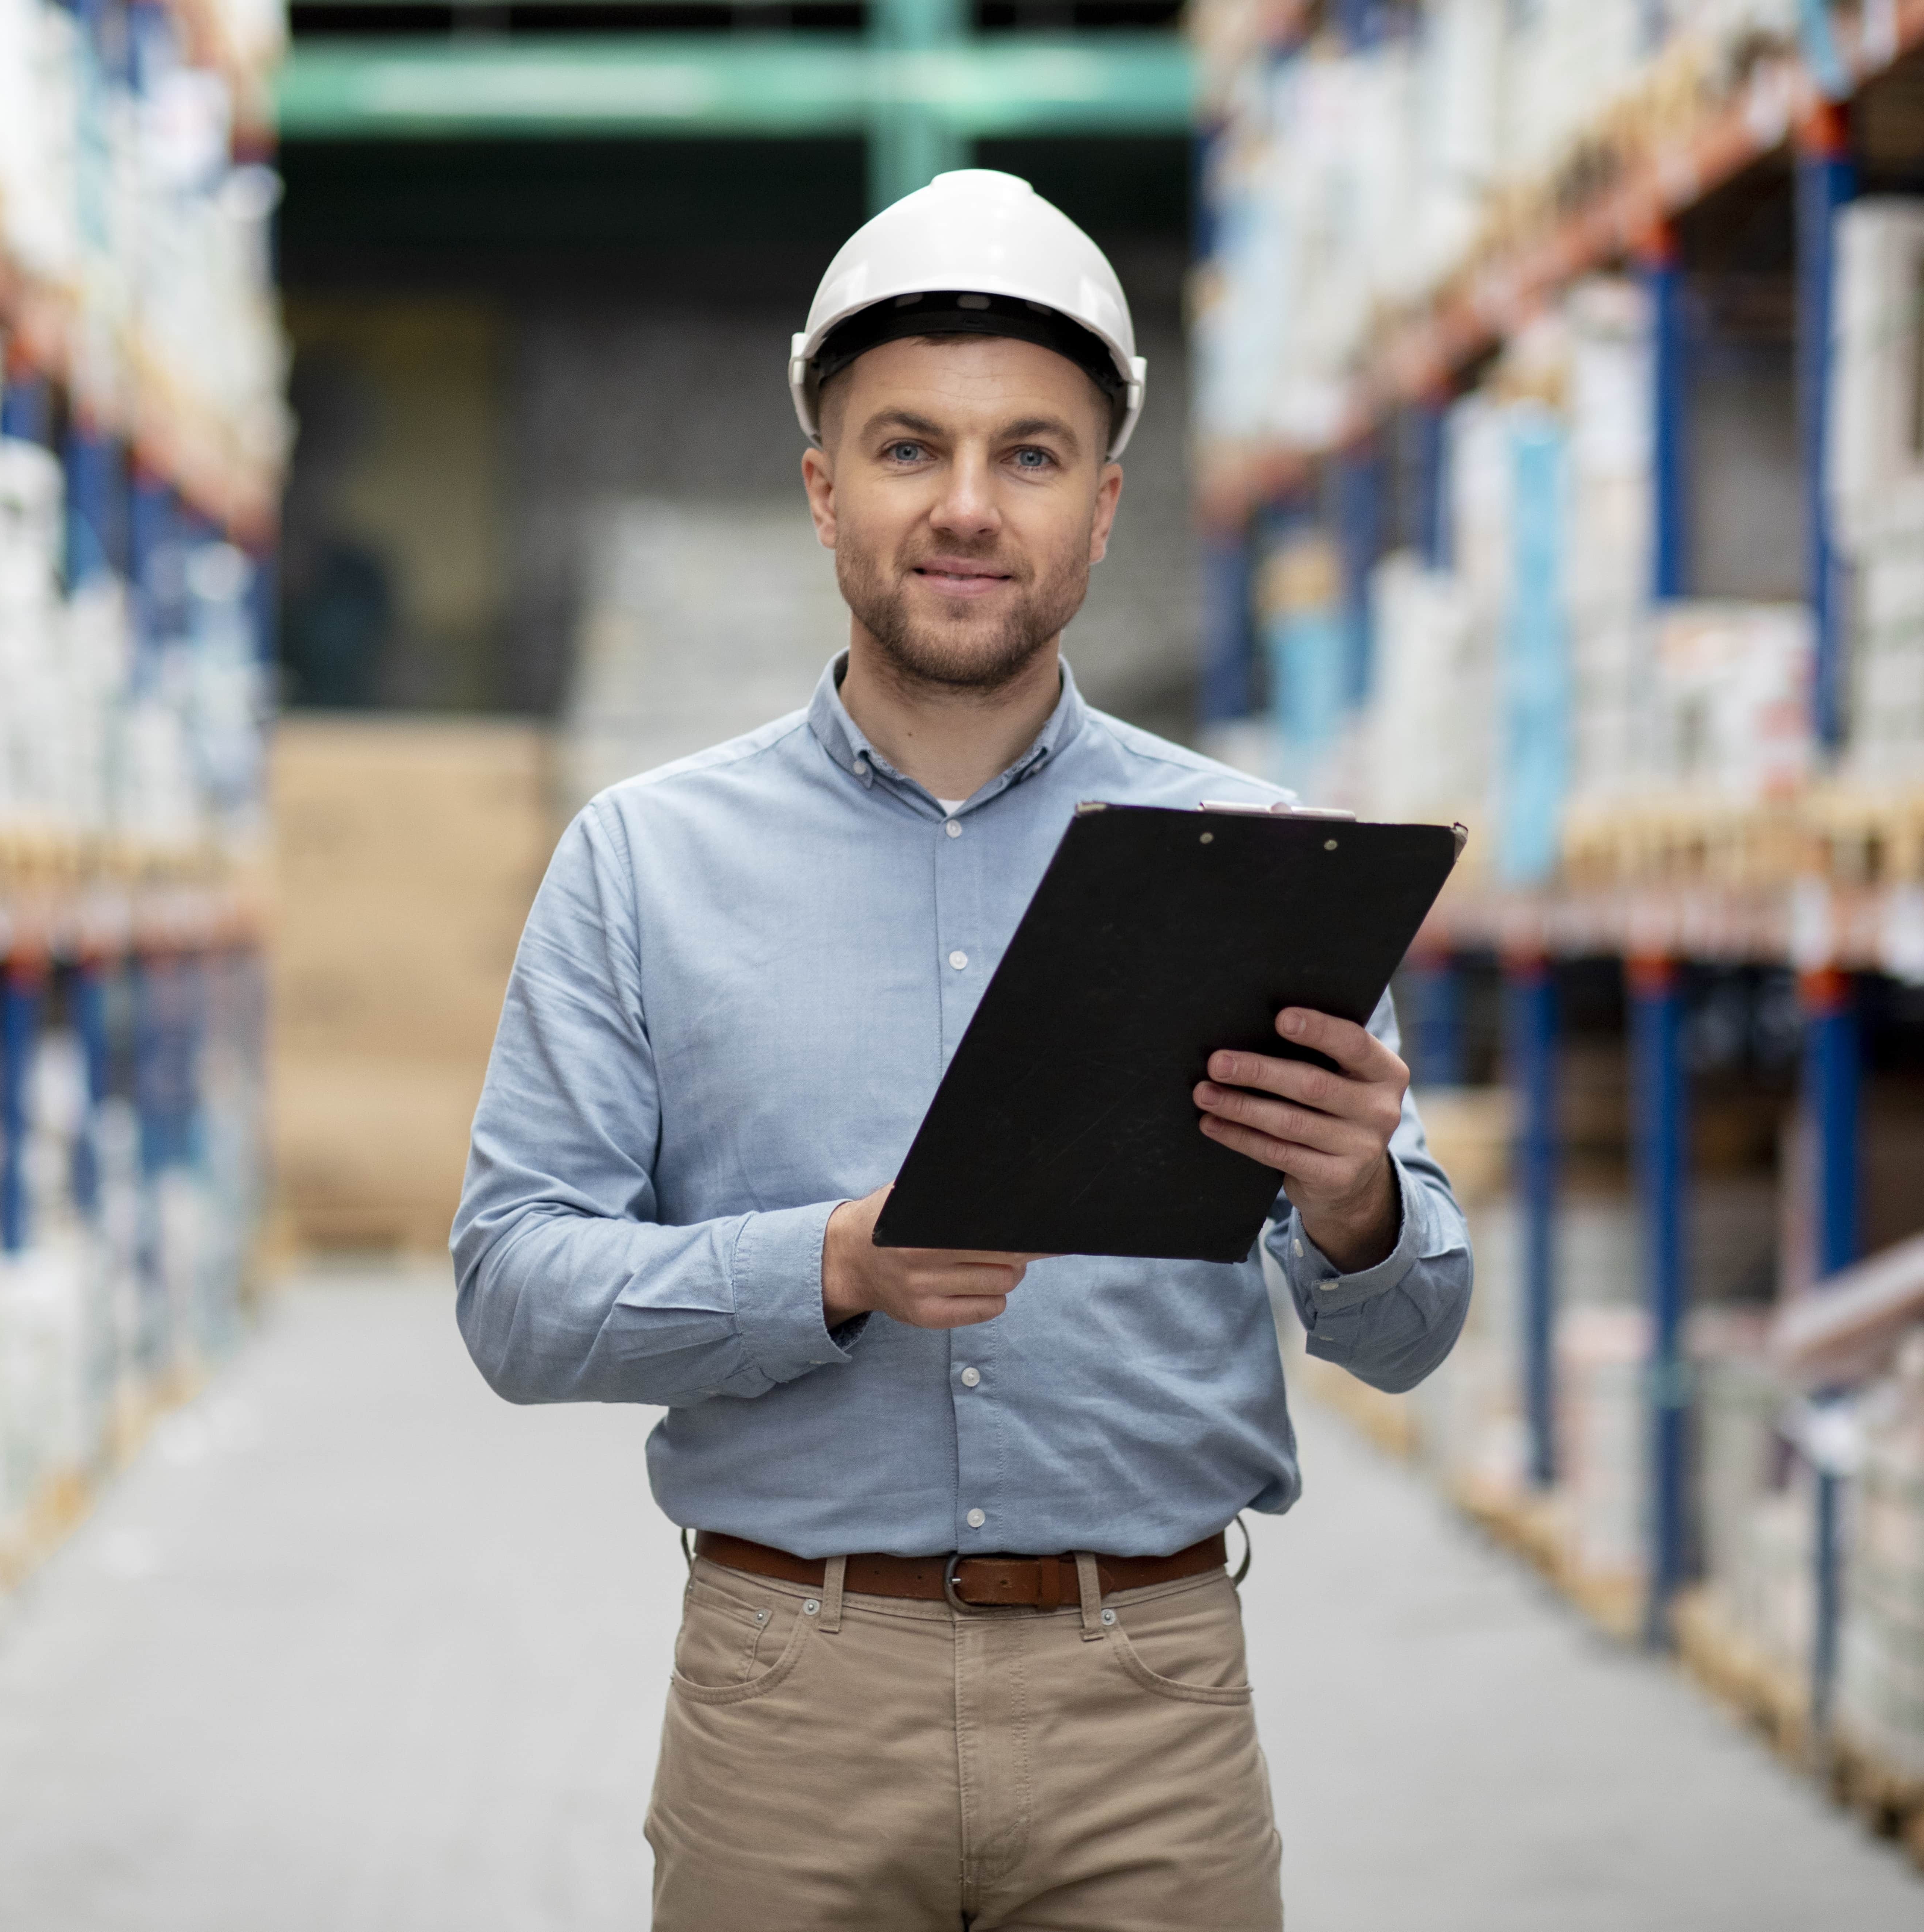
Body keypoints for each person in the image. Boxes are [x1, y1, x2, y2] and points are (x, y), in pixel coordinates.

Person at [452, 169, 1472, 1932]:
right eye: (909, 448)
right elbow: (514, 1298)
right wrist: (830, 1268)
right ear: (822, 487)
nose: (968, 507)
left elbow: (1410, 1334)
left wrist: (1356, 1203)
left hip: (1147, 1704)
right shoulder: (644, 862)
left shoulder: (1258, 861)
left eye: (1031, 455)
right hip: (788, 1702)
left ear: (1104, 504)